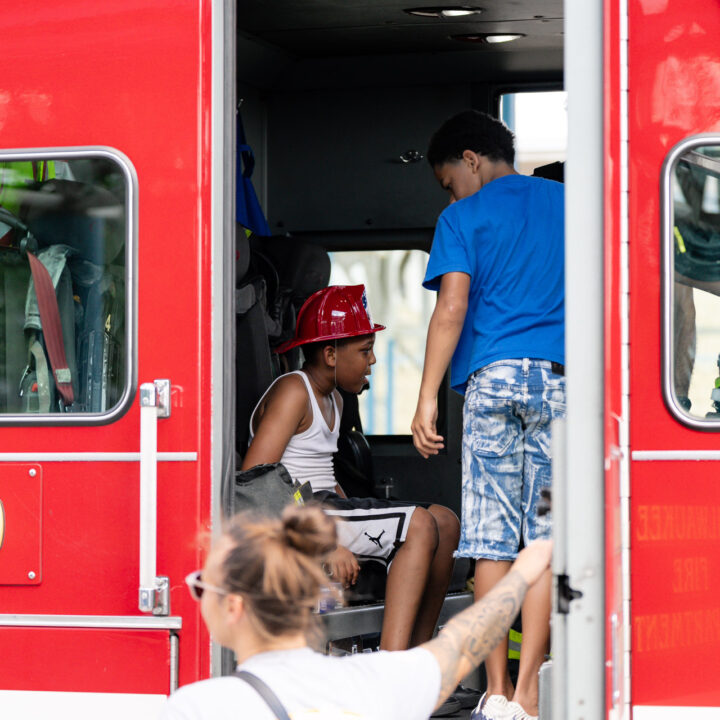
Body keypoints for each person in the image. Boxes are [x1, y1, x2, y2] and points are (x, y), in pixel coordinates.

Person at [411, 110, 565, 720]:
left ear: (470, 160)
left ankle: (496, 692)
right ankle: (532, 692)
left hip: (494, 386)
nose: (451, 192)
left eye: (449, 179)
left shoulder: (462, 218)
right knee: (549, 539)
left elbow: (452, 307)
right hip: (560, 388)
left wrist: (426, 398)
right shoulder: (568, 203)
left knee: (491, 543)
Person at [160, 504, 553, 720]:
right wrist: (523, 573)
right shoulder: (381, 679)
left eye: (201, 585)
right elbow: (464, 640)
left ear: (233, 607)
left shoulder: (199, 708)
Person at [241, 284, 461, 661]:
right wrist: (324, 544)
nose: (372, 361)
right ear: (329, 354)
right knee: (420, 524)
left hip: (326, 507)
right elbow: (257, 479)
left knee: (446, 520)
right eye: (364, 351)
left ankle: (419, 665)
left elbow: (325, 475)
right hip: (301, 515)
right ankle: (391, 676)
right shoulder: (295, 391)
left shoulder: (335, 399)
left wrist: (353, 511)